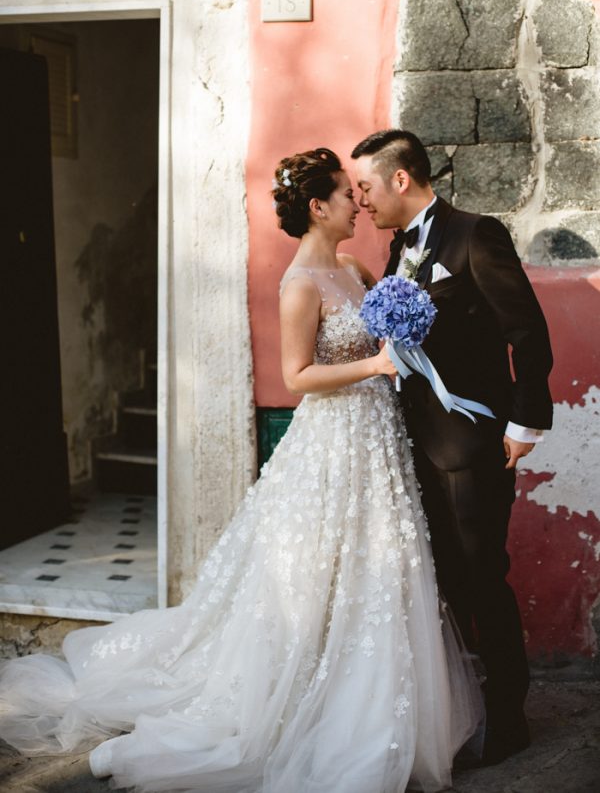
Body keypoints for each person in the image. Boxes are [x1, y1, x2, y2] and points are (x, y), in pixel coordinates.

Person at [0, 147, 483, 793]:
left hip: (380, 441)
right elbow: (297, 376)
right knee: (315, 575)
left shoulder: (355, 267)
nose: (357, 202)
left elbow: (393, 333)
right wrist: (373, 366)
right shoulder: (301, 284)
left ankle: (369, 691)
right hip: (332, 443)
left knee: (381, 568)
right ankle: (306, 695)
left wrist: (405, 337)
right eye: (347, 193)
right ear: (318, 206)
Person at [351, 130, 554, 767]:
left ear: (401, 179)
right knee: (440, 584)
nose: (362, 200)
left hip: (471, 445)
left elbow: (528, 330)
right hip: (414, 447)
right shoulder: (394, 253)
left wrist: (524, 424)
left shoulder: (473, 234)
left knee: (481, 579)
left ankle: (508, 718)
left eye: (367, 186)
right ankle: (458, 710)